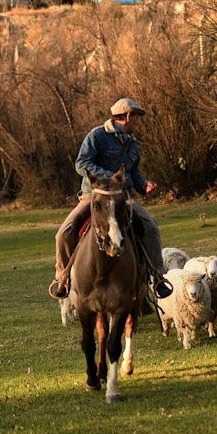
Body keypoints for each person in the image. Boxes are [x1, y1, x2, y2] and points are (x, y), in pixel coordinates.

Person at [52, 97, 168, 297]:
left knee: (150, 227)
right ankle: (63, 278)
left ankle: (158, 278)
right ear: (128, 116)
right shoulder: (96, 136)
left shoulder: (132, 143)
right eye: (137, 119)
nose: (137, 123)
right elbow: (81, 163)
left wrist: (142, 183)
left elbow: (133, 172)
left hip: (124, 197)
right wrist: (109, 178)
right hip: (94, 197)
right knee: (63, 233)